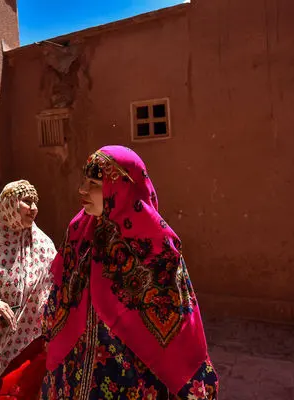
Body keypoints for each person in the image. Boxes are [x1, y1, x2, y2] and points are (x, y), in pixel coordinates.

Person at [41, 146, 219, 399]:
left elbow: (180, 326)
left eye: (93, 183)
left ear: (121, 188)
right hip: (74, 373)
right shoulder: (79, 232)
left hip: (131, 380)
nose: (82, 189)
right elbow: (59, 293)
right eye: (84, 181)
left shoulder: (156, 248)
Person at [0, 180, 57, 399]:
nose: (33, 208)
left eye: (35, 202)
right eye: (26, 201)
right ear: (8, 204)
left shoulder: (44, 245)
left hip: (30, 344)